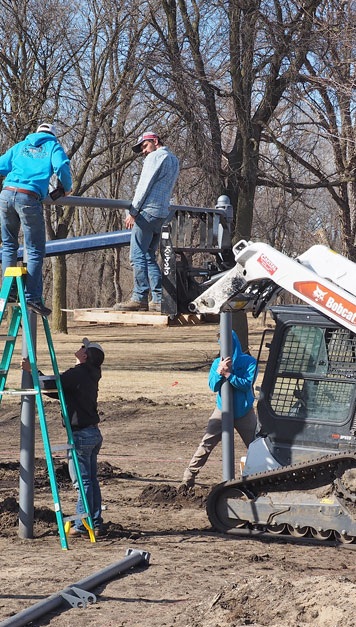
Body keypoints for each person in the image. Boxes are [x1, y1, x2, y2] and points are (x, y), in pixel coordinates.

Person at [24, 337, 105, 536]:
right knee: (91, 481)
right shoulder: (91, 373)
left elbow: (50, 385)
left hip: (81, 435)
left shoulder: (77, 373)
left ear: (85, 355)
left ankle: (82, 525)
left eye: (82, 347)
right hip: (93, 433)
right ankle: (95, 521)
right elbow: (59, 391)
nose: (78, 348)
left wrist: (32, 371)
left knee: (83, 482)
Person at [0, 123, 72, 317]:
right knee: (35, 248)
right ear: (53, 135)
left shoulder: (21, 145)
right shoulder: (53, 146)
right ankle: (31, 296)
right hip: (28, 196)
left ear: (36, 132)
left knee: (9, 246)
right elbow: (61, 165)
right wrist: (67, 187)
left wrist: (21, 171)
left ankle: (10, 290)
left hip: (6, 194)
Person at [179, 331, 258, 491]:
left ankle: (264, 480)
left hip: (244, 411)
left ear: (234, 342)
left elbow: (246, 385)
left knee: (257, 446)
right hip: (222, 411)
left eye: (227, 343)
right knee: (206, 444)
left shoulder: (249, 362)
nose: (224, 347)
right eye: (221, 343)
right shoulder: (217, 363)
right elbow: (213, 386)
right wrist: (219, 372)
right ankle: (187, 478)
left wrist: (229, 374)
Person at [115, 132, 180, 313]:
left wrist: (133, 212)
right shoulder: (174, 160)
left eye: (144, 146)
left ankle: (139, 297)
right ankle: (158, 298)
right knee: (149, 256)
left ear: (155, 141)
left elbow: (143, 185)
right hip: (162, 214)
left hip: (148, 212)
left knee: (136, 255)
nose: (144, 151)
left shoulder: (154, 157)